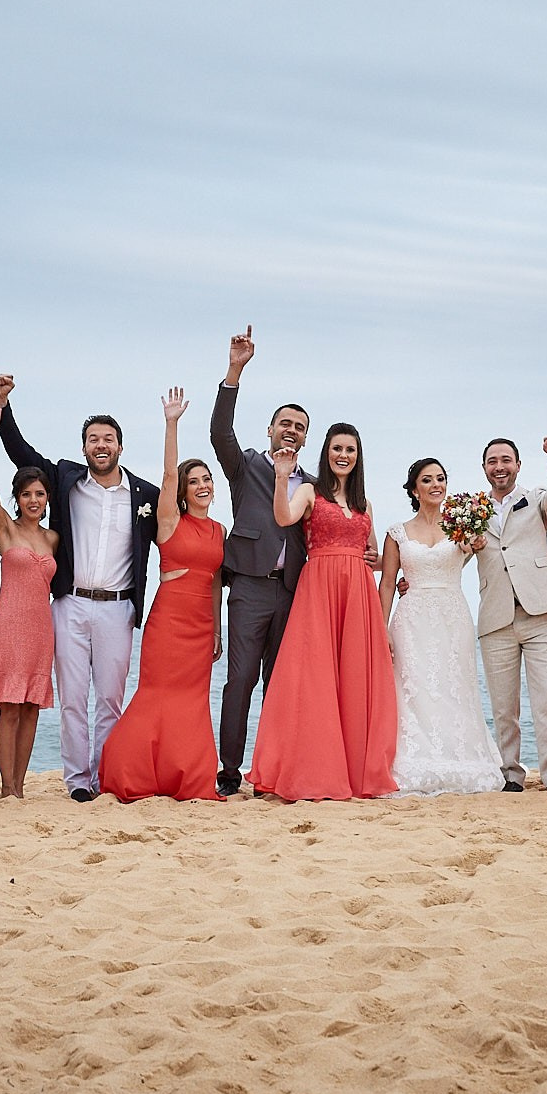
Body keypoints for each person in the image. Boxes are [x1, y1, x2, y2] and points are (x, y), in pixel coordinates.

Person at [0, 374, 161, 801]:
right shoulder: (66, 480)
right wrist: (3, 405)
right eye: (92, 439)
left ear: (120, 446)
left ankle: (106, 776)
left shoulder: (146, 494)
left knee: (109, 700)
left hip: (118, 608)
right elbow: (21, 455)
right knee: (71, 700)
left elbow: (179, 533)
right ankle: (77, 783)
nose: (100, 445)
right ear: (84, 447)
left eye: (108, 438)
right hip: (69, 605)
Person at [248, 423, 398, 800]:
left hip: (358, 593)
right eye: (337, 449)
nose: (343, 456)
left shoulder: (365, 504)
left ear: (357, 456)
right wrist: (282, 477)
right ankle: (313, 768)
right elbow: (284, 518)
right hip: (319, 590)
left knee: (353, 679)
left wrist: (397, 570)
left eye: (350, 450)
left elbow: (373, 553)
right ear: (327, 453)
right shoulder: (310, 492)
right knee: (313, 678)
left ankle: (353, 769)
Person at [100, 389, 226, 802]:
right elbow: (168, 476)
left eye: (207, 479)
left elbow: (213, 582)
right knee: (157, 695)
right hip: (169, 621)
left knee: (193, 703)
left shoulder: (219, 531)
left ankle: (187, 778)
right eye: (195, 481)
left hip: (201, 625)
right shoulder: (170, 519)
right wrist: (172, 424)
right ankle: (130, 771)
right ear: (184, 491)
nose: (202, 486)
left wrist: (217, 631)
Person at [210, 327, 311, 796]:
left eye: (299, 426)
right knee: (240, 681)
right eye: (284, 423)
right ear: (270, 429)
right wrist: (235, 370)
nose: (291, 430)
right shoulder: (246, 464)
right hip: (249, 586)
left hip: (292, 591)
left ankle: (270, 772)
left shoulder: (314, 484)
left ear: (306, 438)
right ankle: (230, 773)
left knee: (280, 683)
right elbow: (219, 431)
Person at [472, 406, 547, 790]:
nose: (499, 466)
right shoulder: (472, 511)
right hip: (495, 619)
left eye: (505, 460)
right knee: (503, 708)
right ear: (484, 468)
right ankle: (510, 776)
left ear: (518, 465)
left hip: (539, 614)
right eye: (492, 461)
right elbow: (450, 554)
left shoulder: (537, 500)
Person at [379, 458, 499, 796]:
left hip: (453, 616)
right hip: (412, 617)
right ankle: (413, 761)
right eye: (427, 480)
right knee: (413, 688)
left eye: (441, 479)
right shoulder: (397, 532)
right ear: (414, 489)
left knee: (454, 685)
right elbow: (387, 583)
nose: (436, 485)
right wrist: (381, 627)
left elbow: (472, 555)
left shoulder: (462, 528)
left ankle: (458, 759)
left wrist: (474, 545)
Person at [0, 408, 60, 799]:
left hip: (41, 628)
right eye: (26, 494)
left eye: (39, 494)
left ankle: (21, 786)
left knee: (31, 706)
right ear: (17, 499)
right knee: (10, 707)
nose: (33, 500)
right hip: (8, 623)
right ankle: (6, 789)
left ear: (47, 498)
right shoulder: (6, 528)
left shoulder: (53, 540)